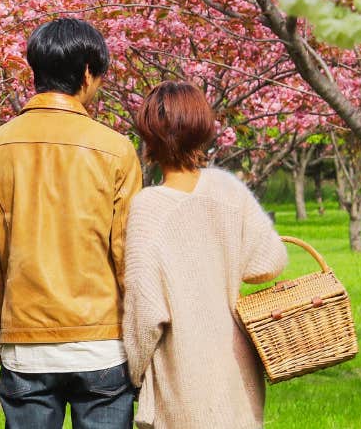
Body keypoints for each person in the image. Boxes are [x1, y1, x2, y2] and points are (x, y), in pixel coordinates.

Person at [0, 18, 143, 429]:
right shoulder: (116, 150)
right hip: (101, 347)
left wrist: (1, 337)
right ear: (86, 72)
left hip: (25, 345)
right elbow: (126, 257)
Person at [122, 81, 288, 429]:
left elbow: (144, 309)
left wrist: (134, 374)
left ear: (150, 138)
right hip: (236, 370)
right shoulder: (228, 188)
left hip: (182, 375)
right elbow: (270, 260)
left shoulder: (148, 207)